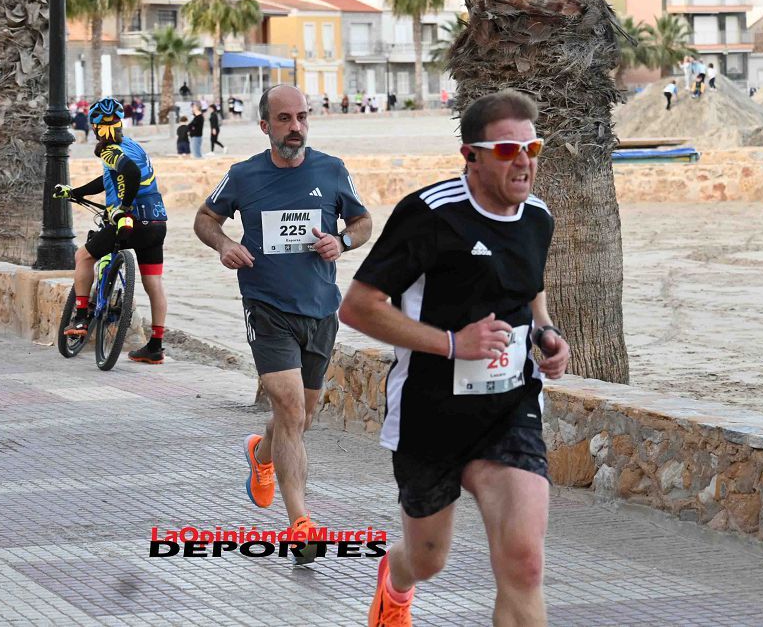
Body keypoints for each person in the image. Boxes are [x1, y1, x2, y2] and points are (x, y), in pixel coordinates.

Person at [338, 89, 570, 626]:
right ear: (471, 155)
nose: (526, 161)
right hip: (430, 414)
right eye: (508, 150)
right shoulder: (429, 216)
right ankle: (395, 582)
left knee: (525, 564)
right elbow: (358, 307)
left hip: (509, 409)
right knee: (427, 559)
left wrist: (547, 332)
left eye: (532, 147)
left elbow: (530, 289)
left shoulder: (537, 218)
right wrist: (451, 343)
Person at [193, 84, 373, 563]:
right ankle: (301, 523)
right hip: (266, 305)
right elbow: (205, 218)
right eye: (285, 119)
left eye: (302, 117)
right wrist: (224, 245)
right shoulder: (243, 175)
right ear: (265, 126)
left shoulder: (331, 170)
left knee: (302, 417)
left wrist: (343, 243)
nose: (295, 127)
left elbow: (362, 222)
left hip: (319, 309)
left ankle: (262, 455)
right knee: (291, 407)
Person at [54, 97, 169, 363]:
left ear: (94, 126)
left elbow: (128, 173)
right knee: (154, 283)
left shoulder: (111, 149)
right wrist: (76, 192)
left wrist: (123, 208)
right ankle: (156, 347)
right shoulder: (133, 145)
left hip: (131, 221)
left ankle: (81, 318)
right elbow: (110, 178)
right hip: (156, 222)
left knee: (83, 256)